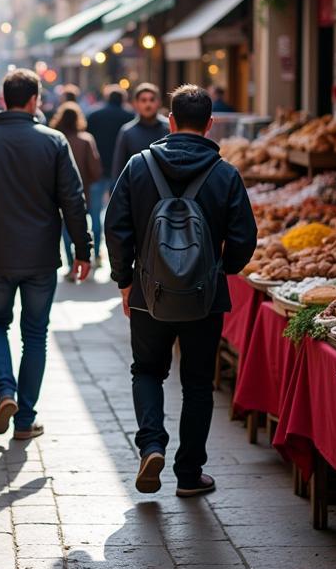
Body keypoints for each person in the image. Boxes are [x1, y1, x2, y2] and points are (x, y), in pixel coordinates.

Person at [104, 84, 256, 498]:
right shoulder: (225, 174)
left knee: (148, 371)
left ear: (170, 121)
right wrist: (221, 269)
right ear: (209, 126)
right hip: (204, 298)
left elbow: (115, 227)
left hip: (148, 293)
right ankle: (189, 473)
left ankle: (151, 444)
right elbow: (244, 238)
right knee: (197, 383)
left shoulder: (138, 166)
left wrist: (125, 280)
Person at [0, 69, 92, 440]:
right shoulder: (54, 142)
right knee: (35, 334)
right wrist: (83, 250)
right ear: (34, 101)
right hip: (41, 256)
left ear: (3, 99)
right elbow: (73, 202)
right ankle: (25, 418)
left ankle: (4, 391)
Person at [50, 102, 102, 276]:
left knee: (65, 226)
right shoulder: (86, 139)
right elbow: (95, 169)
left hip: (59, 191)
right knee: (93, 219)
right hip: (85, 189)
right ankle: (91, 256)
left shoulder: (56, 139)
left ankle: (72, 264)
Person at [85, 86, 132, 262]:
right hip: (122, 172)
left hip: (97, 171)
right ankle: (116, 255)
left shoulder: (94, 115)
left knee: (95, 213)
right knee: (120, 215)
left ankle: (96, 252)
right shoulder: (129, 118)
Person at [111, 82, 170, 181]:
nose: (148, 104)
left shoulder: (169, 128)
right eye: (143, 100)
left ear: (159, 102)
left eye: (152, 100)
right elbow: (118, 168)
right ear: (136, 104)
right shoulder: (127, 131)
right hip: (136, 189)